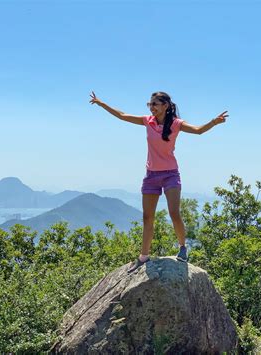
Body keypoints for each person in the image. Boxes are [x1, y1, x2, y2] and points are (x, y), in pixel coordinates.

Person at [89, 91, 228, 273]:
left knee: (174, 213)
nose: (151, 107)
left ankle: (182, 247)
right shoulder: (148, 121)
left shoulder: (177, 124)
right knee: (148, 217)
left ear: (166, 106)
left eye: (155, 104)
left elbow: (198, 131)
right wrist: (101, 103)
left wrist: (214, 122)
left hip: (170, 174)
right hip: (151, 176)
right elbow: (122, 116)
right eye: (150, 104)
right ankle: (143, 256)